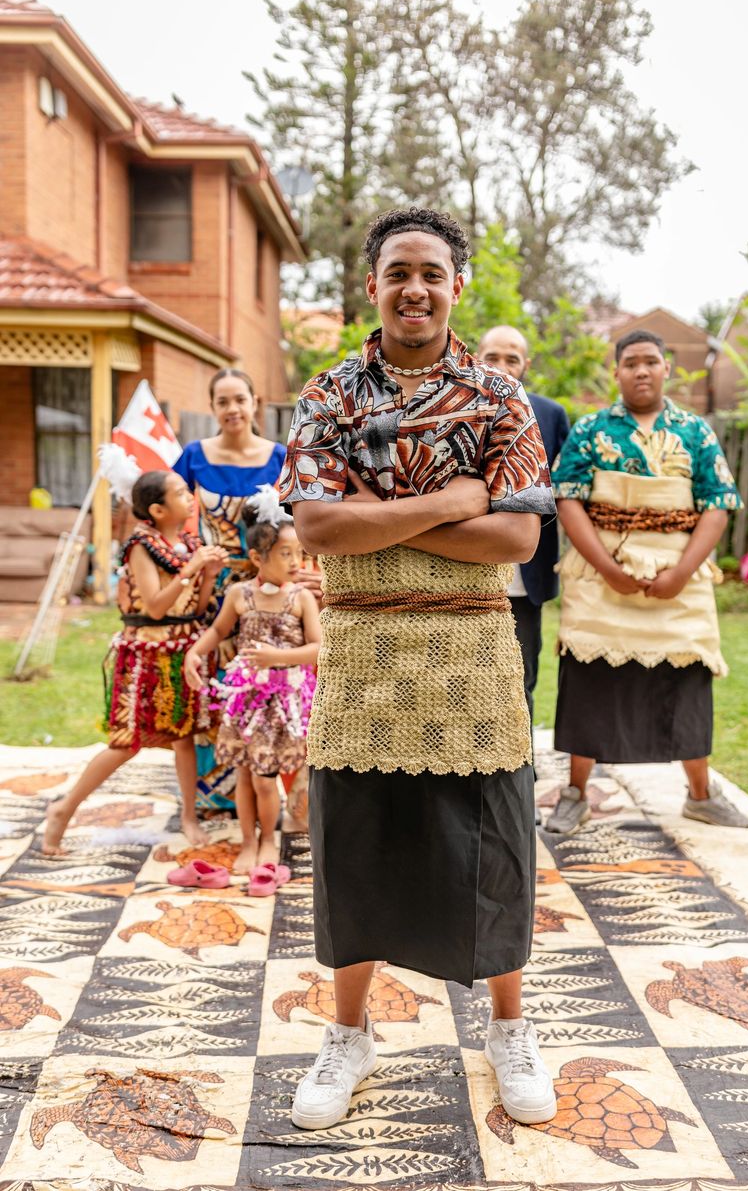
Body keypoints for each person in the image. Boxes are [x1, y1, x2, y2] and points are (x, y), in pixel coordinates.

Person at [278, 207, 558, 1132]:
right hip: (361, 655)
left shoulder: (499, 397)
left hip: (475, 655)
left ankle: (507, 1028)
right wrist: (452, 501)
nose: (415, 288)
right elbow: (316, 525)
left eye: (432, 272)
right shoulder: (327, 395)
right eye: (398, 271)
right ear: (372, 284)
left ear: (457, 286)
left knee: (496, 848)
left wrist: (383, 507)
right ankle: (347, 1033)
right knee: (358, 847)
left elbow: (517, 532)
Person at [547, 328, 748, 834]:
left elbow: (718, 505)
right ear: (616, 372)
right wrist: (609, 569)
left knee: (686, 679)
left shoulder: (695, 431)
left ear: (666, 369)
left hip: (679, 576)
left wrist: (681, 572)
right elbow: (568, 498)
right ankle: (575, 794)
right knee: (589, 679)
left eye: (651, 361)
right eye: (631, 362)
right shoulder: (592, 429)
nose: (641, 370)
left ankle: (701, 794)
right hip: (601, 573)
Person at [42, 470, 226, 855]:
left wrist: (208, 575)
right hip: (147, 654)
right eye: (180, 493)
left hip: (183, 651)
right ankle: (64, 809)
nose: (190, 496)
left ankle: (188, 817)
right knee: (126, 743)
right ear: (158, 509)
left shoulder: (189, 542)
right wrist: (192, 570)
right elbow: (156, 607)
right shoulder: (141, 545)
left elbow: (200, 605)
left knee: (184, 738)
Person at [173, 368, 320, 810]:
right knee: (224, 685)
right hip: (217, 591)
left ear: (255, 402)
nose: (233, 409)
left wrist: (310, 571)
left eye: (240, 399)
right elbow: (169, 515)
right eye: (223, 401)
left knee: (282, 685)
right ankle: (222, 798)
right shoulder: (194, 456)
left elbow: (306, 520)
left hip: (276, 585)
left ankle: (289, 794)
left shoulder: (280, 456)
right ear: (212, 407)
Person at [185, 488, 320, 884]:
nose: (296, 562)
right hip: (248, 701)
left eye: (299, 552)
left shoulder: (300, 599)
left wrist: (278, 659)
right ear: (258, 558)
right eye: (285, 554)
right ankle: (248, 839)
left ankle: (269, 840)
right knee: (245, 775)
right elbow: (218, 630)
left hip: (285, 702)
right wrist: (195, 652)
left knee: (265, 779)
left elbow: (317, 649)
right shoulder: (239, 595)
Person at [476, 326, 569, 804]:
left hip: (526, 578)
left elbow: (566, 493)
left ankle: (520, 784)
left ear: (525, 365)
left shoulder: (551, 416)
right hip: (470, 574)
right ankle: (473, 775)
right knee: (468, 679)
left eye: (512, 358)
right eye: (492, 356)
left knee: (522, 681)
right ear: (477, 357)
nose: (502, 366)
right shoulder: (457, 406)